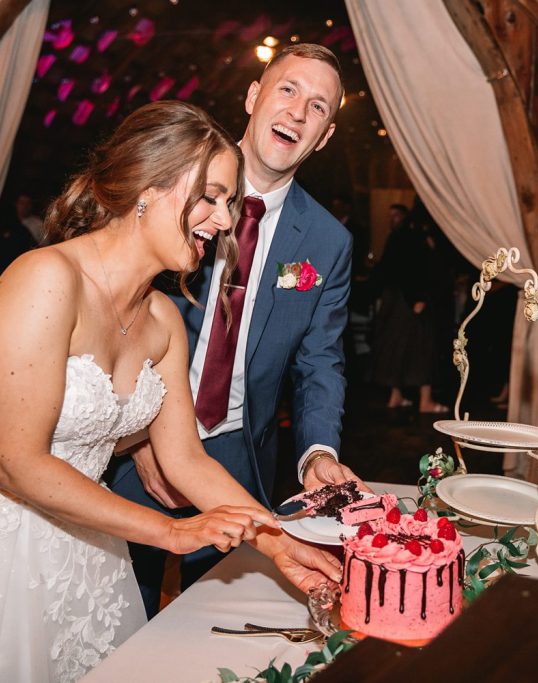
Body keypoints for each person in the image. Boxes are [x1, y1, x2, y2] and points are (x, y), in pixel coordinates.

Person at [0, 100, 342, 682]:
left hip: (89, 559)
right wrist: (173, 532)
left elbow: (185, 459)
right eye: (212, 196)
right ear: (148, 186)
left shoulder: (165, 319)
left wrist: (276, 541)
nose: (224, 221)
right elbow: (16, 463)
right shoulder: (45, 279)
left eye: (227, 201)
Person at [106, 43, 362, 619]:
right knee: (118, 612)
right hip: (135, 445)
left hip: (239, 455)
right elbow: (114, 311)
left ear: (324, 136)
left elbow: (322, 360)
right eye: (289, 90)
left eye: (317, 107)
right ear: (253, 96)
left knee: (216, 622)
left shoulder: (327, 242)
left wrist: (318, 451)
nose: (298, 112)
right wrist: (145, 439)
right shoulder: (171, 188)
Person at [370, 198, 450, 413]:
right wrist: (418, 297)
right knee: (423, 348)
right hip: (409, 299)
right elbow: (415, 268)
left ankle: (396, 397)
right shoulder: (415, 234)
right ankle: (425, 401)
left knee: (399, 347)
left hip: (397, 298)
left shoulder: (401, 234)